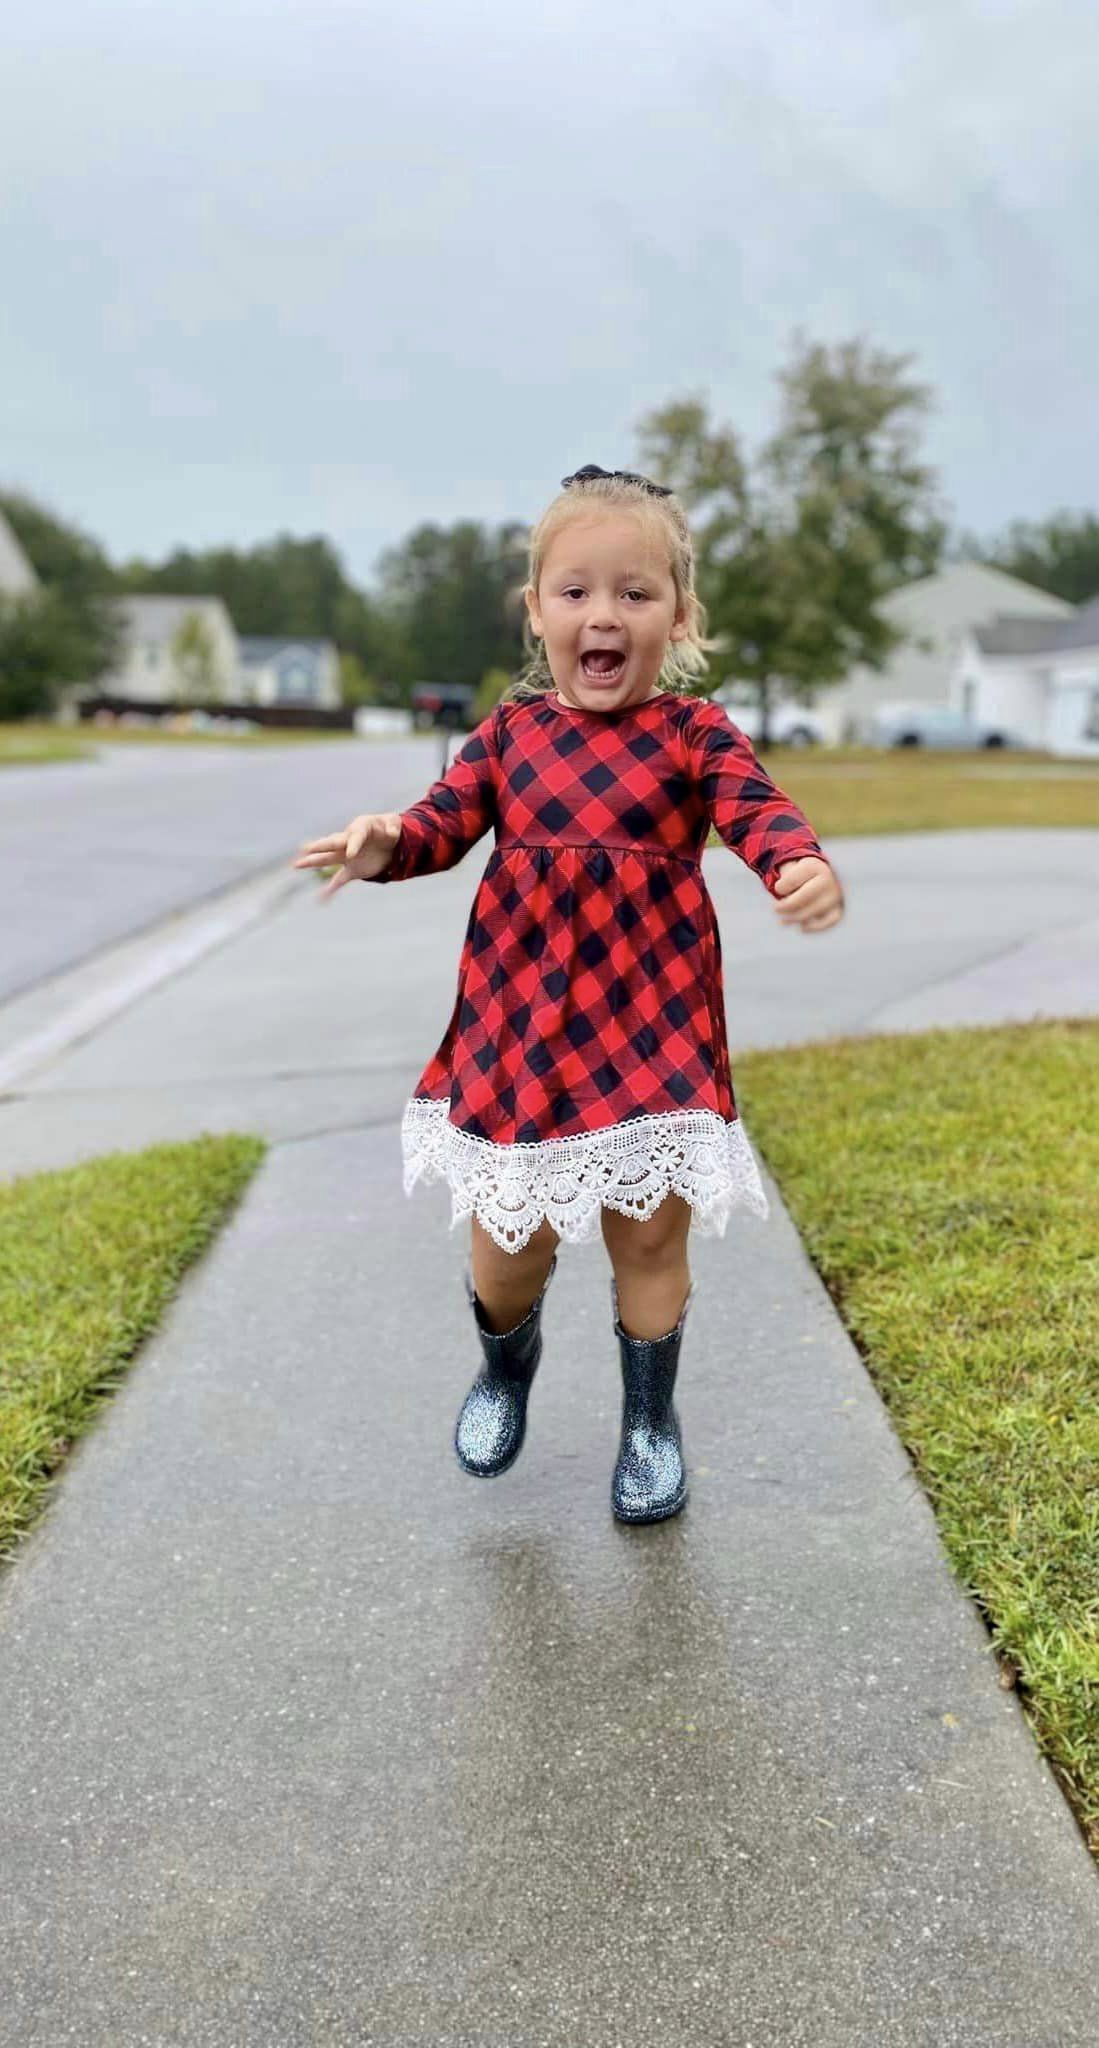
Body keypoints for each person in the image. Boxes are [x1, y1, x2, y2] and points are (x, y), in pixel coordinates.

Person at [291, 463, 845, 1525]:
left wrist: (797, 864)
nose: (605, 614)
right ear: (535, 610)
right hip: (523, 1035)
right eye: (577, 591)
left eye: (635, 594)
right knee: (507, 1251)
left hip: (654, 1029)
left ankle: (648, 1421)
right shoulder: (509, 733)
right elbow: (442, 820)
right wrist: (384, 841)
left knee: (650, 1239)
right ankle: (507, 1364)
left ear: (679, 618)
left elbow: (759, 811)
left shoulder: (694, 735)